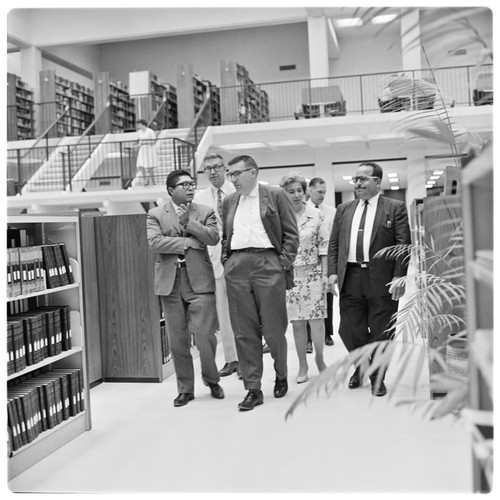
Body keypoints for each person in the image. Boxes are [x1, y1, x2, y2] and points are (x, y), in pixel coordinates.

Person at [221, 155, 299, 411]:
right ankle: (253, 389)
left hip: (268, 264)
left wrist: (282, 263)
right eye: (229, 174)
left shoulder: (275, 195)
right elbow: (226, 235)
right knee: (244, 331)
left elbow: (290, 233)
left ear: (253, 172)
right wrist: (227, 260)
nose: (232, 179)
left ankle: (281, 373)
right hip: (237, 265)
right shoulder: (229, 201)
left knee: (274, 329)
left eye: (236, 173)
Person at [327, 161, 411, 396]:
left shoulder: (395, 208)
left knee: (382, 331)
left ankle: (377, 376)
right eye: (356, 179)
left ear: (377, 181)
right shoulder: (344, 209)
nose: (358, 183)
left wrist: (399, 277)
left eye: (363, 179)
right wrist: (332, 271)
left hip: (382, 278)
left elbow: (403, 246)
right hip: (350, 276)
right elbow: (334, 243)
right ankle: (365, 368)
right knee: (349, 330)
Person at [147, 169, 224, 407]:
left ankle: (212, 380)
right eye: (184, 185)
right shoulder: (155, 214)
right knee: (177, 340)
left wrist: (188, 223)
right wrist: (187, 242)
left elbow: (212, 238)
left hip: (199, 281)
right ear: (171, 190)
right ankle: (185, 389)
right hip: (170, 283)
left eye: (192, 184)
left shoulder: (205, 212)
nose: (190, 188)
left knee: (204, 336)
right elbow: (155, 242)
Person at [279, 172, 329, 384]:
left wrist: (326, 274)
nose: (297, 195)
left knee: (317, 321)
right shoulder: (280, 216)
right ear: (284, 194)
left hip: (314, 272)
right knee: (297, 323)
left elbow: (324, 246)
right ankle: (302, 365)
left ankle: (320, 359)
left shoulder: (316, 214)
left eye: (300, 190)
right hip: (290, 275)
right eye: (291, 192)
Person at [193, 153, 239, 378]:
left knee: (245, 312)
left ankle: (248, 357)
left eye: (217, 167)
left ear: (225, 169)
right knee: (224, 313)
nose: (212, 172)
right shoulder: (200, 198)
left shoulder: (237, 190)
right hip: (214, 261)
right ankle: (232, 359)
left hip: (240, 259)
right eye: (208, 168)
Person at [307, 177, 337, 346]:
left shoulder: (331, 211)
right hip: (308, 260)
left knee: (327, 298)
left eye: (324, 192)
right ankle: (309, 338)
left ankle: (327, 333)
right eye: (319, 192)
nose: (322, 195)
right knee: (308, 299)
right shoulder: (301, 210)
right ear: (309, 191)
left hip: (326, 259)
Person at [135, 119, 157, 186]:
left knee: (150, 166)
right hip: (142, 149)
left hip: (149, 149)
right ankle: (146, 180)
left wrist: (146, 142)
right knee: (140, 165)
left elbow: (154, 141)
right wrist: (136, 146)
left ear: (143, 124)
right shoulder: (139, 132)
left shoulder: (150, 131)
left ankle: (153, 181)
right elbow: (140, 142)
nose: (138, 126)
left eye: (139, 124)